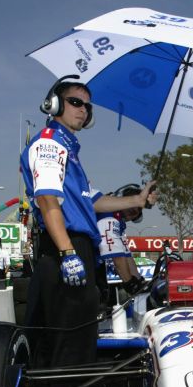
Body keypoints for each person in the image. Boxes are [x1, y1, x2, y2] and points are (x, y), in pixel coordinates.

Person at [20, 77, 156, 369]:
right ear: (54, 104)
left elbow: (94, 202)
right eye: (75, 102)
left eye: (87, 106)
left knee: (80, 340)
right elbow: (46, 200)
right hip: (63, 247)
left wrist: (138, 200)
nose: (83, 110)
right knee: (67, 344)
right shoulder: (49, 143)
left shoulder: (69, 149)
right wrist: (68, 253)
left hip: (75, 247)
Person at [97, 183, 147, 296]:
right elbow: (117, 257)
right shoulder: (109, 215)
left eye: (139, 208)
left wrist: (139, 281)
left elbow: (126, 255)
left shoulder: (119, 221)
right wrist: (129, 283)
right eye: (132, 202)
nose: (136, 210)